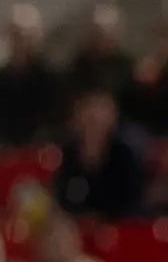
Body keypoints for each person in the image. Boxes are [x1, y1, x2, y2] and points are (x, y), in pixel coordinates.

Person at [0, 4, 61, 148]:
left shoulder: (52, 77)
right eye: (15, 36)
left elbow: (56, 120)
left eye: (27, 36)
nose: (21, 43)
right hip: (5, 152)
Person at [53, 88, 149, 221]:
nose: (93, 117)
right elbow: (62, 200)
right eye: (87, 109)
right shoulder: (67, 155)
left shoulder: (124, 156)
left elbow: (129, 204)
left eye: (100, 110)